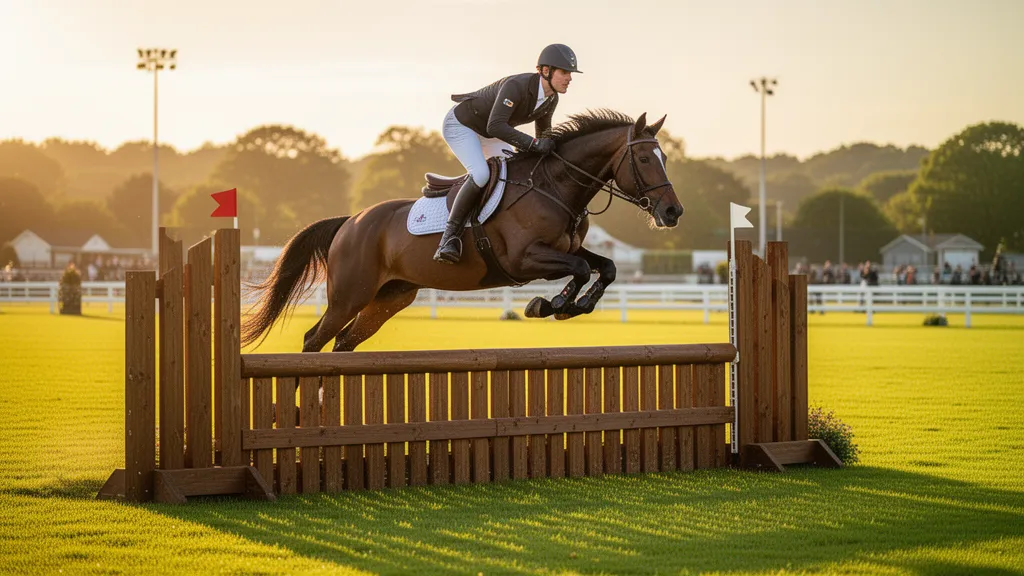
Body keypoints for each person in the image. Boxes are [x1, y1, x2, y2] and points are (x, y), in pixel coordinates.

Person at [433, 44, 581, 264]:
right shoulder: (516, 86)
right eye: (564, 72)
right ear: (546, 71)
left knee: (513, 174)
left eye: (570, 73)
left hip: (491, 131)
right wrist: (533, 144)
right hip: (463, 125)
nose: (569, 78)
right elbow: (496, 126)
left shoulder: (551, 99)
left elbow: (543, 134)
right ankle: (448, 238)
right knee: (482, 174)